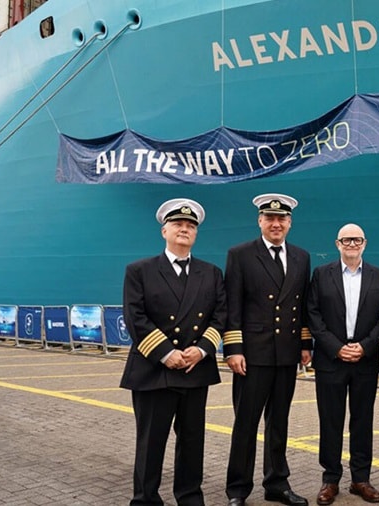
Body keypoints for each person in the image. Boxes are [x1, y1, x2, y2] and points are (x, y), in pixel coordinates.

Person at [119, 198, 226, 506]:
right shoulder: (140, 270)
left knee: (193, 442)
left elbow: (220, 316)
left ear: (196, 234)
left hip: (195, 369)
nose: (184, 229)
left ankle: (190, 497)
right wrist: (167, 353)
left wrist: (203, 350)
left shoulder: (211, 273)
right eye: (178, 224)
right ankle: (145, 499)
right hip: (155, 370)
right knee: (151, 442)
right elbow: (135, 317)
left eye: (190, 226)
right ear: (164, 230)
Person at [223, 193, 312, 506]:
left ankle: (276, 483)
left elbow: (301, 305)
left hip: (286, 355)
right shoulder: (241, 254)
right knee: (245, 424)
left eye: (282, 218)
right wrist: (233, 348)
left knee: (279, 422)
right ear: (260, 221)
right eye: (270, 218)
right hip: (253, 354)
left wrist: (304, 343)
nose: (276, 224)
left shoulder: (301, 256)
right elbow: (232, 305)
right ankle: (237, 489)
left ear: (289, 223)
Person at [306, 224, 379, 505]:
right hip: (332, 360)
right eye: (346, 240)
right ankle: (330, 479)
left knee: (362, 421)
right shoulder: (322, 274)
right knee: (330, 421)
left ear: (364, 243)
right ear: (337, 243)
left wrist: (365, 347)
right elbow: (313, 315)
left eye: (357, 239)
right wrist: (337, 347)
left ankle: (360, 479)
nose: (352, 244)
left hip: (364, 362)